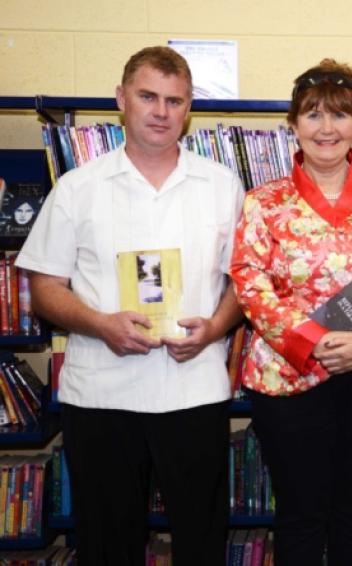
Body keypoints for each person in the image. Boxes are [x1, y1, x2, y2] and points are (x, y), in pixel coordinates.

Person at [16, 46, 244, 565]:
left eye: (175, 100)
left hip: (194, 390)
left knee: (202, 540)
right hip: (102, 394)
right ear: (121, 99)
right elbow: (45, 288)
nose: (161, 111)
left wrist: (214, 329)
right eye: (148, 96)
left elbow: (242, 285)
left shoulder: (222, 185)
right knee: (107, 544)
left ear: (189, 110)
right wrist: (100, 324)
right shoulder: (77, 188)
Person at [229, 58, 352, 566]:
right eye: (313, 115)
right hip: (290, 374)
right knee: (299, 514)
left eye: (338, 115)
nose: (326, 128)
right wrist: (309, 339)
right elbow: (248, 281)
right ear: (293, 126)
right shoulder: (263, 203)